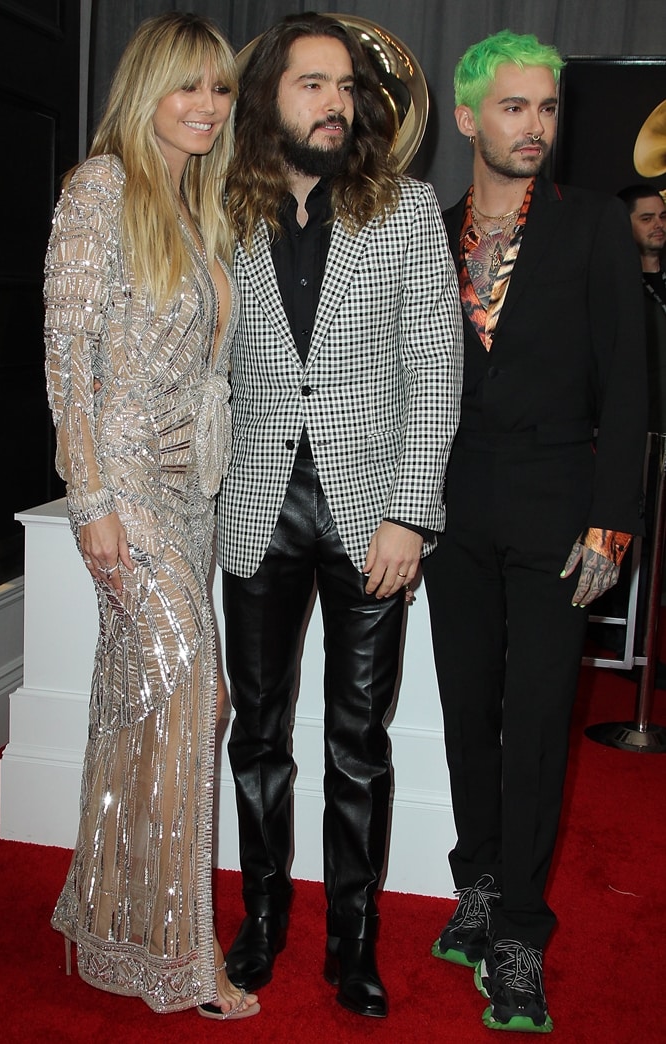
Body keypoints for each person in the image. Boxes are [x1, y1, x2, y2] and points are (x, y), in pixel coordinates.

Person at [217, 12, 463, 1019]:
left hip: (370, 513)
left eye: (345, 86)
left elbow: (434, 370)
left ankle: (351, 946)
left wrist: (411, 514)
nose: (333, 101)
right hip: (253, 507)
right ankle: (264, 922)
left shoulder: (405, 209)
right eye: (310, 83)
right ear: (269, 94)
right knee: (259, 734)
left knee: (359, 741)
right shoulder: (218, 207)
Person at [422, 30, 647, 1034]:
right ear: (469, 117)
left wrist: (612, 522)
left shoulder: (594, 224)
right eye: (513, 107)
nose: (533, 127)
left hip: (561, 504)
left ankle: (519, 929)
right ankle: (473, 878)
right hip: (453, 505)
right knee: (467, 708)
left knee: (539, 719)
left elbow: (630, 386)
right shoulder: (426, 232)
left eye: (547, 108)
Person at [44, 12, 259, 1020]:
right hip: (124, 493)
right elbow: (67, 363)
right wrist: (91, 503)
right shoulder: (102, 188)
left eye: (220, 89)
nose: (209, 107)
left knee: (142, 708)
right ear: (147, 91)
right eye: (189, 87)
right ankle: (184, 954)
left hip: (191, 492)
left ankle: (110, 914)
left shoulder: (198, 202)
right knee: (194, 699)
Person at [617, 184, 666, 431]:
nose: (659, 224)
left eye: (663, 216)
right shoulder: (612, 290)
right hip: (639, 430)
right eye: (647, 218)